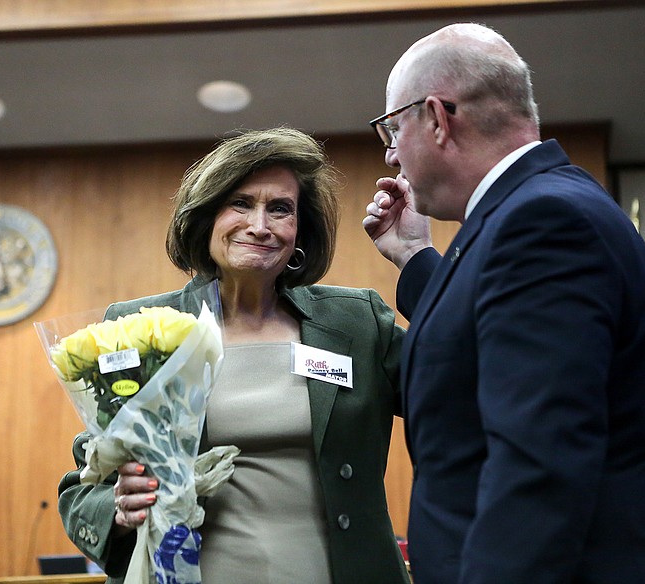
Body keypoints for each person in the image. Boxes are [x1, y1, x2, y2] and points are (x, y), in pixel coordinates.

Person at [362, 22, 645, 584]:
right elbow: (487, 350)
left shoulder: (541, 222)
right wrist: (415, 258)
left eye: (391, 129)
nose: (390, 156)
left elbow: (538, 466)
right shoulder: (540, 208)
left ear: (435, 117)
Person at [58, 127, 410, 584]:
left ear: (300, 230)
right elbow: (83, 487)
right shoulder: (140, 330)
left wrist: (415, 256)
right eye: (240, 203)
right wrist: (121, 506)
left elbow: (460, 392)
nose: (260, 226)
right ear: (207, 219)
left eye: (280, 209)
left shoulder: (355, 323)